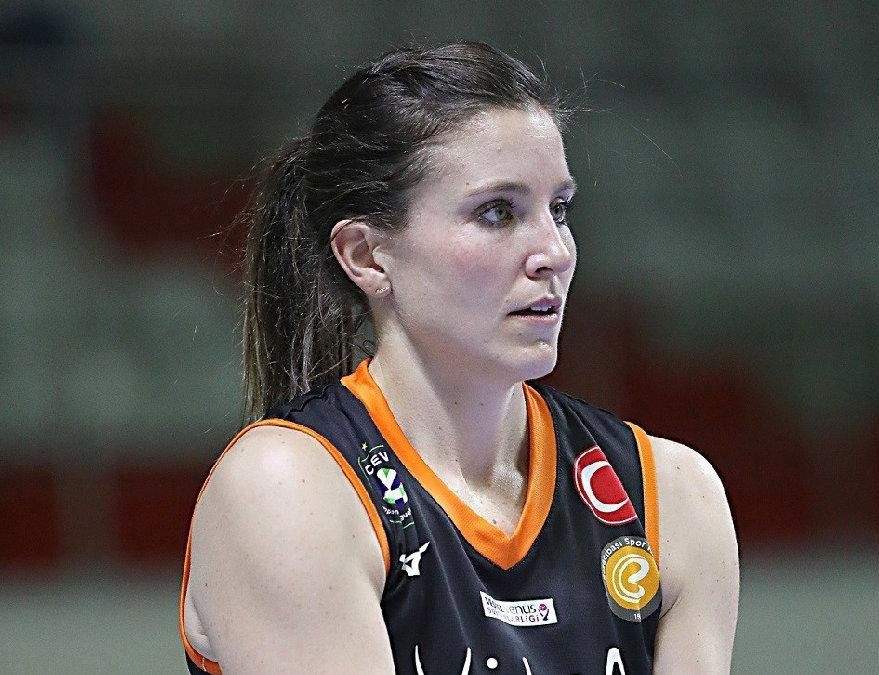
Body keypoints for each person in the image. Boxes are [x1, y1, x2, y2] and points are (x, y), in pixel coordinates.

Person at [178, 41, 738, 674]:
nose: (554, 252)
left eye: (559, 209)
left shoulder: (672, 497)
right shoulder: (287, 489)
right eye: (498, 212)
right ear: (366, 256)